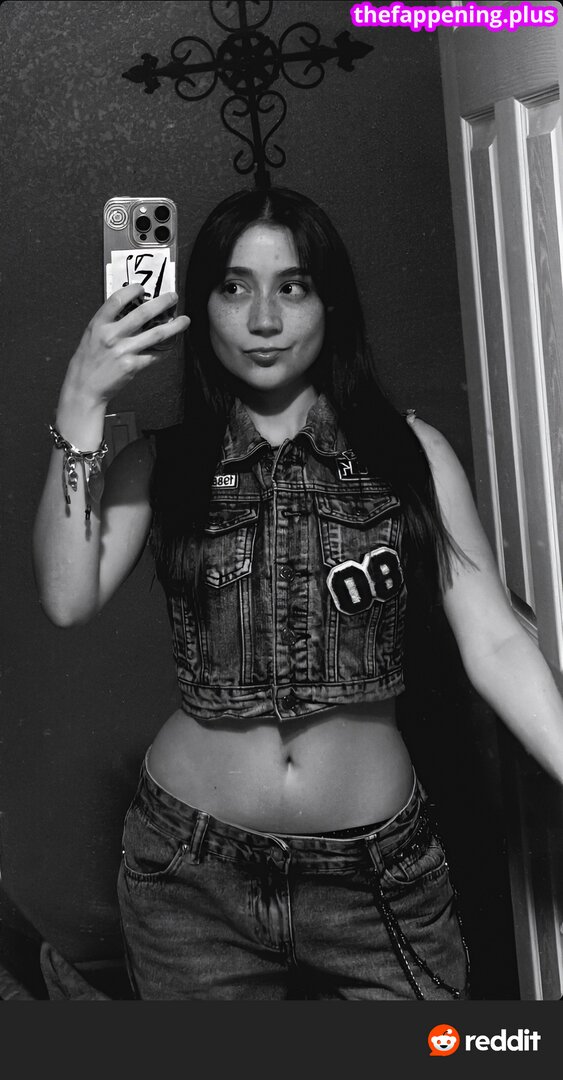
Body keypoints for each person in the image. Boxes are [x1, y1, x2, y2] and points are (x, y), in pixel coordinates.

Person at [32, 187, 563, 1001]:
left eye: (292, 286)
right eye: (234, 287)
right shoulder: (158, 466)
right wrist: (83, 398)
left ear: (329, 303)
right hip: (190, 876)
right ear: (201, 304)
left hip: (378, 878)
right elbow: (67, 598)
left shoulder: (410, 453)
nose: (264, 319)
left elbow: (493, 639)